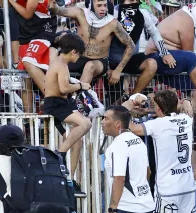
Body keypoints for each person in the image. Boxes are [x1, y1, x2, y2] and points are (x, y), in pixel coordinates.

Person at [122, 90, 196, 213]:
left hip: (167, 189)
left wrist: (130, 103)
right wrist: (186, 102)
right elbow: (187, 107)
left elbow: (131, 127)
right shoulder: (186, 120)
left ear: (158, 107)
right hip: (187, 186)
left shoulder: (157, 124)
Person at [102, 105, 166, 213]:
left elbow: (119, 178)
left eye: (106, 118)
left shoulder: (117, 146)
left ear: (117, 124)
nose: (102, 122)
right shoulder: (138, 141)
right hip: (145, 207)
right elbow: (147, 172)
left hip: (125, 209)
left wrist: (112, 209)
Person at [145, 2, 196, 110]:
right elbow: (188, 54)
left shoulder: (190, 17)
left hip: (168, 57)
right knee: (194, 64)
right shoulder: (187, 20)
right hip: (158, 57)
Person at [49, 0, 135, 87]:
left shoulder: (113, 23)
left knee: (90, 66)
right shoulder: (80, 13)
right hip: (77, 57)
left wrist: (118, 70)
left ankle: (77, 98)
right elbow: (56, 10)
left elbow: (131, 45)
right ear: (91, 6)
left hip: (99, 61)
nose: (103, 9)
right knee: (54, 56)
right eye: (99, 5)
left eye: (105, 5)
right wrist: (53, 4)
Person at [43, 32, 91, 178]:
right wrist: (81, 85)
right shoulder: (61, 64)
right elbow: (64, 88)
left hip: (60, 103)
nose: (78, 59)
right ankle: (61, 153)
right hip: (56, 104)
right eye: (79, 55)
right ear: (73, 52)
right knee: (86, 124)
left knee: (77, 142)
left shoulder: (57, 62)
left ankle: (67, 177)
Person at [107, 0, 175, 95]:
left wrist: (165, 53)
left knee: (151, 64)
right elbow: (104, 40)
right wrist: (106, 66)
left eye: (135, 1)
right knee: (114, 98)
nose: (133, 3)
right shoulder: (113, 12)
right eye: (130, 1)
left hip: (132, 58)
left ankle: (133, 98)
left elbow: (154, 33)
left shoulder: (143, 13)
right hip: (112, 61)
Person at [9, 0, 59, 112]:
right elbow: (3, 5)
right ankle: (28, 117)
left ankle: (53, 98)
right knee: (25, 80)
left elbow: (27, 14)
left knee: (31, 62)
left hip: (42, 33)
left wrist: (12, 1)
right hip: (25, 37)